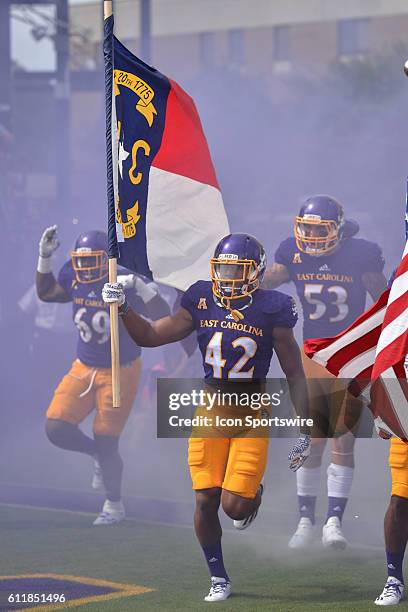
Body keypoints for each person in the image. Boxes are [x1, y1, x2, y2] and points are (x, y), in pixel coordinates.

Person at [102, 232, 311, 602]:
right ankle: (218, 577)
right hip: (211, 410)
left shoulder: (273, 308)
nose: (229, 277)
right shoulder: (200, 298)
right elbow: (151, 336)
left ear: (257, 273)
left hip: (250, 415)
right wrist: (123, 309)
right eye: (224, 268)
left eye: (237, 269)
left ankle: (251, 497)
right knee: (204, 500)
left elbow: (294, 370)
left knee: (235, 506)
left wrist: (306, 425)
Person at [263, 195, 387, 549]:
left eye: (320, 229)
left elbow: (384, 299)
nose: (313, 236)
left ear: (338, 230)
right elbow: (267, 281)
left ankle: (334, 521)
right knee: (312, 441)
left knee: (342, 440)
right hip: (314, 358)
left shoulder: (360, 254)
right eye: (308, 228)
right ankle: (305, 519)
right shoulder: (292, 253)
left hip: (349, 357)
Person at [36, 225, 170, 525]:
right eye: (79, 261)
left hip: (119, 370)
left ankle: (114, 505)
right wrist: (44, 258)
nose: (83, 268)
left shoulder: (123, 280)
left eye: (90, 260)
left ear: (106, 259)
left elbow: (164, 318)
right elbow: (46, 293)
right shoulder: (73, 276)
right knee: (56, 428)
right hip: (83, 366)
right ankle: (96, 454)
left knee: (107, 439)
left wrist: (142, 288)